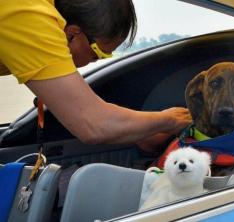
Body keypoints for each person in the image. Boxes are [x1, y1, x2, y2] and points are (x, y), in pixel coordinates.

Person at [0, 0, 192, 146]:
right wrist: (171, 120)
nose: (95, 61)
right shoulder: (26, 15)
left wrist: (140, 130)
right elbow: (95, 124)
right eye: (99, 54)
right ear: (71, 34)